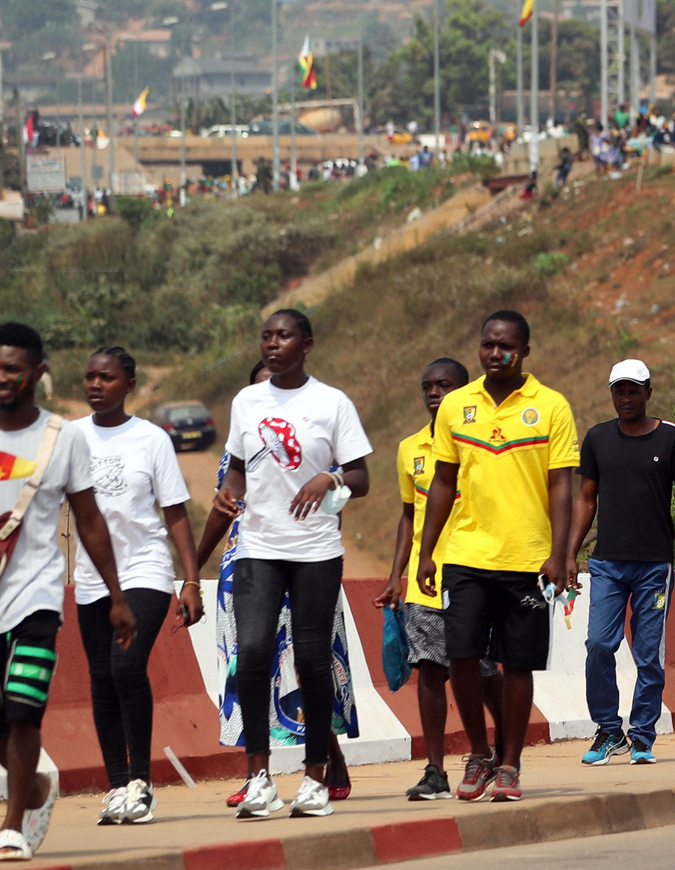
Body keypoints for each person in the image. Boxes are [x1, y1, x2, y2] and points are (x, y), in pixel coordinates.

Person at [0, 324, 134, 862]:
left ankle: (13, 823)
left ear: (37, 371)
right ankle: (31, 785)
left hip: (37, 592)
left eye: (12, 368)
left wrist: (117, 596)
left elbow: (90, 520)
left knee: (23, 707)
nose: (1, 378)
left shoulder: (64, 436)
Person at [209, 310, 372, 820]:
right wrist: (227, 497)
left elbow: (361, 477)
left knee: (310, 657)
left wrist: (330, 479)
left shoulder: (331, 403)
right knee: (253, 652)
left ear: (307, 345)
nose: (273, 344)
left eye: (284, 336)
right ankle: (259, 777)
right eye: (266, 336)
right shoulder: (246, 401)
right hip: (259, 545)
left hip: (316, 550)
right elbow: (236, 470)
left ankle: (315, 776)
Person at [417, 310, 577, 802]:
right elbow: (443, 482)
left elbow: (561, 487)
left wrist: (559, 554)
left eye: (504, 345)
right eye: (487, 344)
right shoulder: (456, 405)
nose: (493, 353)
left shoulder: (551, 406)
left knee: (516, 663)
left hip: (528, 560)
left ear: (525, 350)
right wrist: (427, 553)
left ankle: (510, 764)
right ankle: (481, 753)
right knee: (462, 654)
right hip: (465, 554)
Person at [73, 346, 202, 826]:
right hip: (91, 580)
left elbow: (175, 515)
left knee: (126, 668)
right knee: (101, 681)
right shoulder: (71, 437)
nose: (94, 385)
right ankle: (116, 786)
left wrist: (190, 580)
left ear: (129, 384)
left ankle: (140, 784)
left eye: (105, 377)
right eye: (88, 377)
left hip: (145, 571)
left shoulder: (150, 439)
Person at [376, 357, 506, 802]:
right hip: (425, 578)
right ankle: (435, 770)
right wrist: (397, 574)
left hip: (475, 570)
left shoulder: (483, 443)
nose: (434, 393)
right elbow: (408, 515)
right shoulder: (409, 448)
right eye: (427, 386)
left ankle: (498, 755)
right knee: (430, 671)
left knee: (483, 670)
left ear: (464, 391)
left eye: (444, 385)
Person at [569, 359, 675, 767]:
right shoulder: (596, 439)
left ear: (649, 392)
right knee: (597, 645)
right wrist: (569, 552)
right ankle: (609, 729)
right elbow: (586, 499)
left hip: (653, 565)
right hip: (607, 562)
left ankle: (642, 735)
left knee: (648, 653)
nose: (625, 398)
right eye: (618, 390)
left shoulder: (671, 438)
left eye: (633, 390)